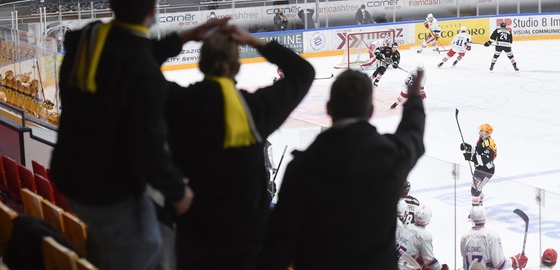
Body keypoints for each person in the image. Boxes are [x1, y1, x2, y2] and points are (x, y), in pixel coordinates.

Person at [50, 0, 226, 270]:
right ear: (153, 10)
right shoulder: (144, 75)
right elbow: (148, 148)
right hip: (102, 188)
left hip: (69, 173)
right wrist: (177, 191)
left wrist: (184, 36)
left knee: (112, 241)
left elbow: (128, 54)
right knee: (148, 247)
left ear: (111, 5)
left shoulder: (88, 38)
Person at [164, 26, 315, 270]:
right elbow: (303, 72)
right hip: (246, 242)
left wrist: (182, 37)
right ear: (238, 66)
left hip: (193, 236)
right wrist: (256, 42)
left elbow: (136, 66)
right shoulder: (255, 111)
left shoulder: (178, 103)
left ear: (201, 64)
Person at [257, 67, 426, 270]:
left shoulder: (302, 167)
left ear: (329, 108)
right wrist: (414, 97)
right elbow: (413, 134)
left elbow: (280, 242)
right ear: (370, 110)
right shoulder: (390, 156)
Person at [460, 206, 528, 270]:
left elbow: (465, 264)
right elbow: (500, 265)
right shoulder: (492, 236)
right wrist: (515, 260)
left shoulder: (464, 237)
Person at [396, 204, 448, 270]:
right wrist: (441, 268)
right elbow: (430, 260)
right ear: (428, 219)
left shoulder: (407, 227)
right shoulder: (425, 236)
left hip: (395, 263)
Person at [460, 123, 496, 207]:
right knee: (476, 189)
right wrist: (468, 147)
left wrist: (471, 157)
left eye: (481, 131)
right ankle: (479, 203)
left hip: (487, 171)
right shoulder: (484, 141)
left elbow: (485, 159)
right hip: (480, 169)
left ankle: (476, 211)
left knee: (474, 191)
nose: (479, 132)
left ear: (486, 133)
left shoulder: (489, 144)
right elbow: (478, 150)